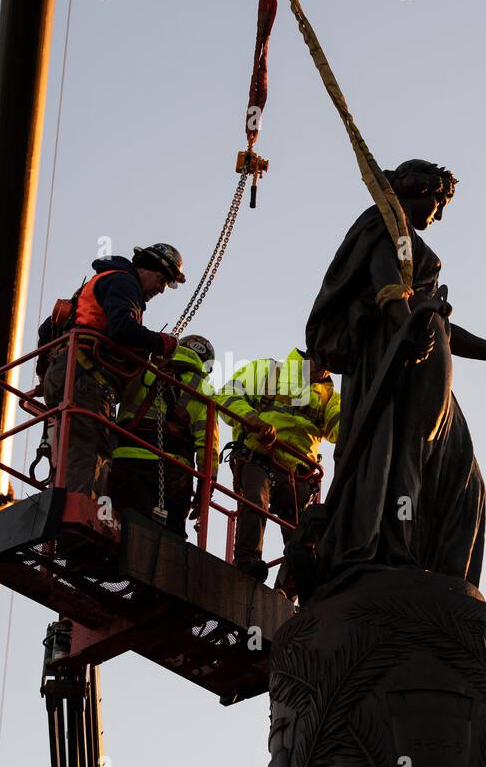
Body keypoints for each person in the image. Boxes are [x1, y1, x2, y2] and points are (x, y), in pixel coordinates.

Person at [303, 159, 486, 589]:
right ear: (416, 189)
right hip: (396, 358)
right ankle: (392, 548)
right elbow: (387, 281)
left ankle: (436, 566)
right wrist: (403, 323)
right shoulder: (386, 227)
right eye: (438, 200)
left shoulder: (409, 242)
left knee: (464, 478)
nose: (438, 214)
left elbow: (435, 320)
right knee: (398, 456)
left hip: (423, 352)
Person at [38, 242, 185, 497]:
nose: (161, 290)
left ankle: (68, 504)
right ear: (146, 269)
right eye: (161, 281)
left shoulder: (101, 282)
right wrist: (161, 342)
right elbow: (121, 327)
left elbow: (48, 327)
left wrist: (44, 374)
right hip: (87, 377)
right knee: (91, 446)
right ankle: (80, 510)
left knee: (73, 445)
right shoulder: (124, 283)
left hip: (67, 372)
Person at [215, 347, 340, 591]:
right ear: (310, 350)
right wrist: (253, 420)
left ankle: (289, 588)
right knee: (255, 501)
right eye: (320, 360)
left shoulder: (330, 398)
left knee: (301, 534)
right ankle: (248, 563)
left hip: (297, 474)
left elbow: (341, 430)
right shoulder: (270, 372)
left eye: (329, 364)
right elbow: (226, 396)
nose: (323, 369)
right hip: (258, 458)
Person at [109, 333, 219, 536]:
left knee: (127, 532)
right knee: (171, 543)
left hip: (128, 461)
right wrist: (206, 489)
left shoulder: (144, 368)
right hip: (175, 474)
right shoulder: (206, 392)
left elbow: (110, 393)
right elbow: (207, 448)